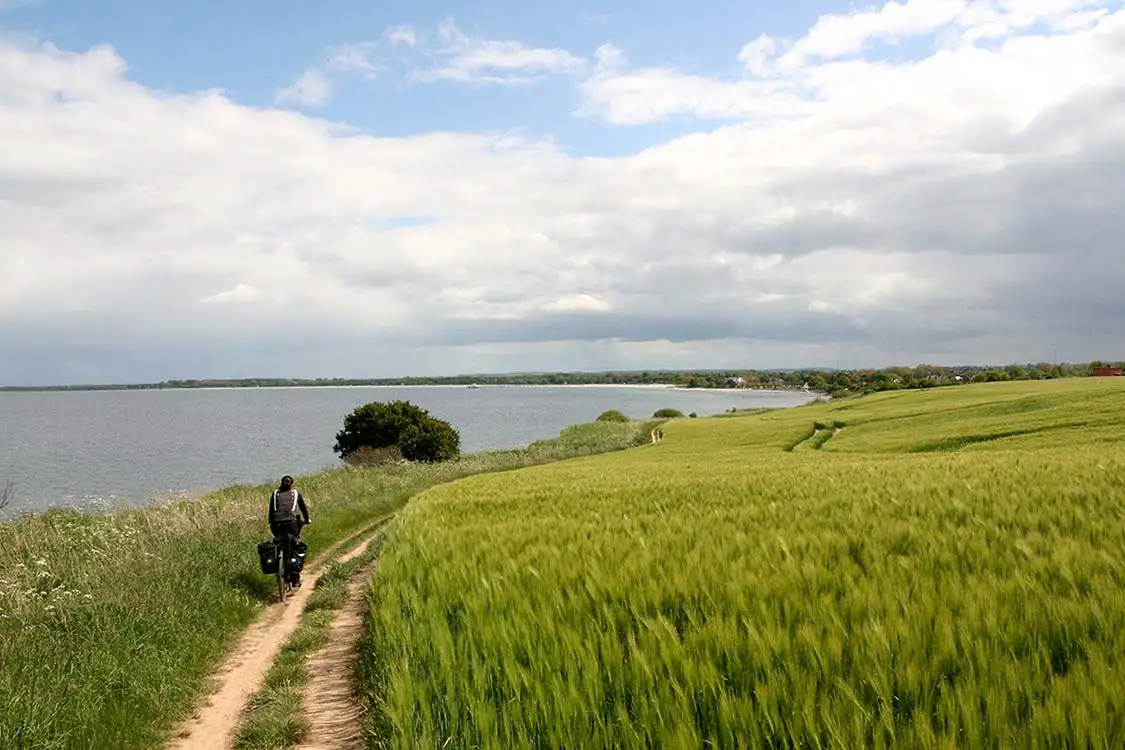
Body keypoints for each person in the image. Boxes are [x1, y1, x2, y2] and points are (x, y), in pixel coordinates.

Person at [268, 475, 311, 586]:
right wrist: (307, 520)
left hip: (276, 524)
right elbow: (303, 508)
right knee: (295, 545)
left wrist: (272, 522)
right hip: (291, 523)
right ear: (292, 484)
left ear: (281, 483)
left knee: (279, 543)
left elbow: (271, 511)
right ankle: (295, 577)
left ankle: (279, 570)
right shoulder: (295, 493)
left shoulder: (275, 493)